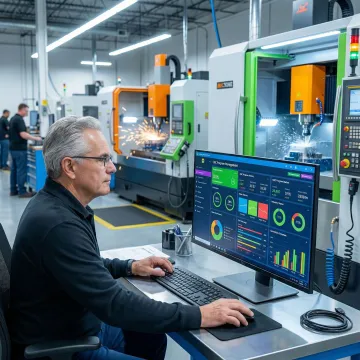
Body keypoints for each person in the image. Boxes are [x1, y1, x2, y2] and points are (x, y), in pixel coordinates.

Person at [9, 116, 253, 360]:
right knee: (145, 324)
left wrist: (130, 266)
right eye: (102, 159)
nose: (112, 167)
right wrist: (201, 314)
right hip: (65, 347)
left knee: (151, 334)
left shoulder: (59, 205)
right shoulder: (58, 224)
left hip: (78, 324)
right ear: (70, 167)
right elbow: (114, 305)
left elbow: (85, 265)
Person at [9, 103, 41, 198]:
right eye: (26, 111)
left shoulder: (12, 118)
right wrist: (36, 138)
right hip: (19, 149)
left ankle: (13, 190)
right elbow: (23, 134)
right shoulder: (19, 120)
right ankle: (22, 192)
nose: (27, 113)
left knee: (14, 170)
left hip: (13, 148)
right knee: (21, 170)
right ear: (22, 109)